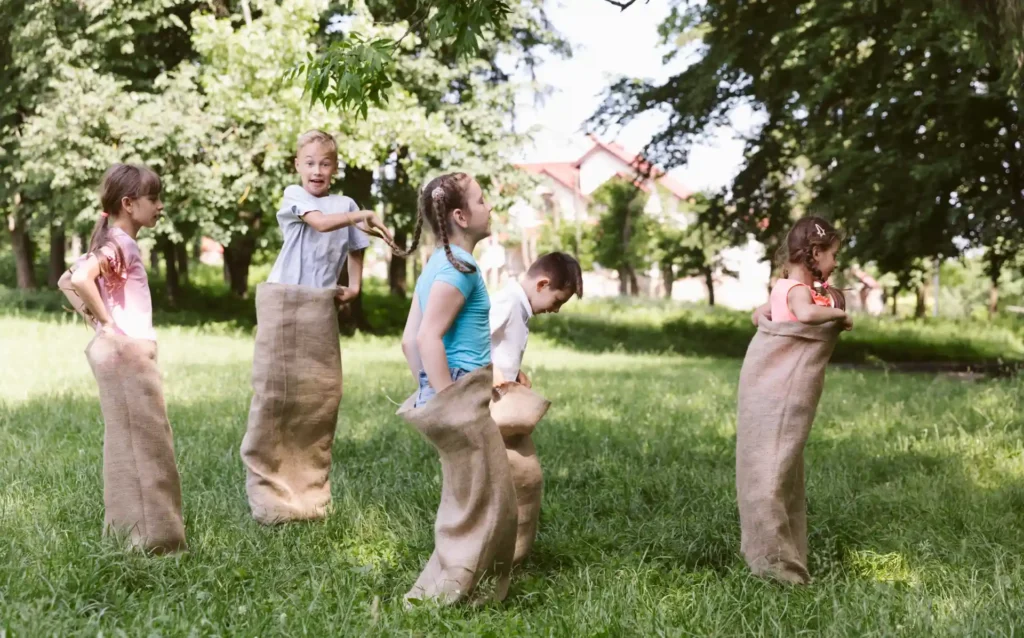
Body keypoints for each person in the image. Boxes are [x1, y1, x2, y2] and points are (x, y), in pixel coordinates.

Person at [240, 129, 393, 525]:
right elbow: (323, 225)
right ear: (297, 165)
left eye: (325, 163)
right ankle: (269, 493)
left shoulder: (346, 204)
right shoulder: (295, 196)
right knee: (276, 393)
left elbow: (356, 246)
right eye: (309, 162)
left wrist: (355, 287)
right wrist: (361, 215)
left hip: (319, 304)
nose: (317, 170)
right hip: (284, 300)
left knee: (318, 396)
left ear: (335, 168)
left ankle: (308, 494)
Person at [58, 163, 186, 554]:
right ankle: (154, 539)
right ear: (129, 204)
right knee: (149, 444)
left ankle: (132, 533)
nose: (160, 206)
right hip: (131, 354)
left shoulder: (113, 240)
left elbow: (66, 281)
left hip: (125, 352)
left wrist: (98, 323)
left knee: (132, 443)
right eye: (154, 198)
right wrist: (110, 324)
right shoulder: (122, 244)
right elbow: (78, 280)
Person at [735, 216, 851, 585]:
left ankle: (782, 554)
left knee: (781, 467)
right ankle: (776, 567)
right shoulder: (798, 292)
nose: (835, 263)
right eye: (832, 255)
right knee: (772, 472)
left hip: (769, 388)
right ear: (815, 253)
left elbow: (759, 315)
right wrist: (839, 314)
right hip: (777, 386)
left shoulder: (781, 287)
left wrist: (769, 319)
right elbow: (806, 315)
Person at [489, 251, 582, 564]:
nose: (555, 310)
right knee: (507, 472)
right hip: (489, 401)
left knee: (525, 475)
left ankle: (511, 554)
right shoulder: (508, 301)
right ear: (542, 284)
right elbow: (472, 338)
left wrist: (515, 372)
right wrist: (494, 372)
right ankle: (497, 553)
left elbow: (500, 346)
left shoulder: (519, 306)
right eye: (557, 301)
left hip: (503, 398)